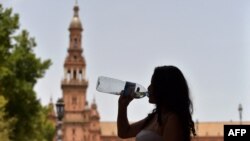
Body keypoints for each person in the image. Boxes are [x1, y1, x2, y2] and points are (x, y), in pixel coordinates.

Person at [117, 65, 196, 141]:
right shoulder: (155, 116)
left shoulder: (173, 118)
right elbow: (124, 132)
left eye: (153, 84)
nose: (148, 87)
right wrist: (122, 105)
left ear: (164, 88)